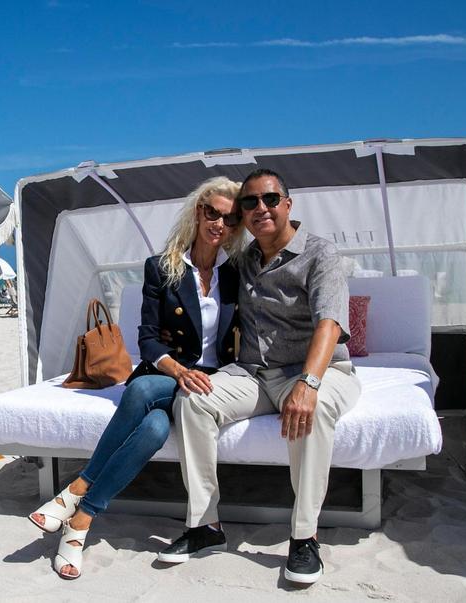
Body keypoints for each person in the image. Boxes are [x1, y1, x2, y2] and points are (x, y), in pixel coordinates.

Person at [27, 176, 246, 580]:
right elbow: (146, 339)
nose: (218, 224)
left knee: (148, 409)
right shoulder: (162, 268)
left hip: (215, 382)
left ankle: (77, 499)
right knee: (150, 413)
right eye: (211, 212)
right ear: (198, 212)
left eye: (230, 219)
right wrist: (178, 370)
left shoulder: (237, 274)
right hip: (169, 372)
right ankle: (82, 516)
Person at [158, 168, 361, 587]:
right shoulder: (244, 261)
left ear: (288, 203)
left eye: (270, 199)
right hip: (253, 373)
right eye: (249, 203)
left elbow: (330, 323)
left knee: (314, 408)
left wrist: (308, 383)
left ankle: (304, 537)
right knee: (192, 399)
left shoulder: (320, 254)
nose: (260, 208)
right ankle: (205, 527)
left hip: (313, 370)